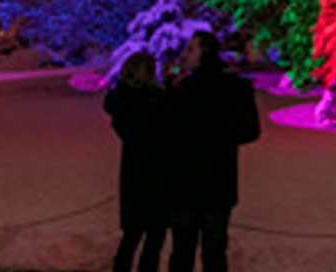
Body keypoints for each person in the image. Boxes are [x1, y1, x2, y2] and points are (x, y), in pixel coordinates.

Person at [166, 32, 260, 272]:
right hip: (218, 183)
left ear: (205, 53)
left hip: (184, 185)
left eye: (190, 50)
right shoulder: (235, 88)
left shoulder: (183, 92)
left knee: (182, 252)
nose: (184, 56)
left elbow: (166, 131)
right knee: (215, 251)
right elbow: (250, 131)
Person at [105, 52, 173, 272]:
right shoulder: (156, 103)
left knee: (131, 237)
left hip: (133, 175)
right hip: (158, 176)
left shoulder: (123, 103)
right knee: (153, 239)